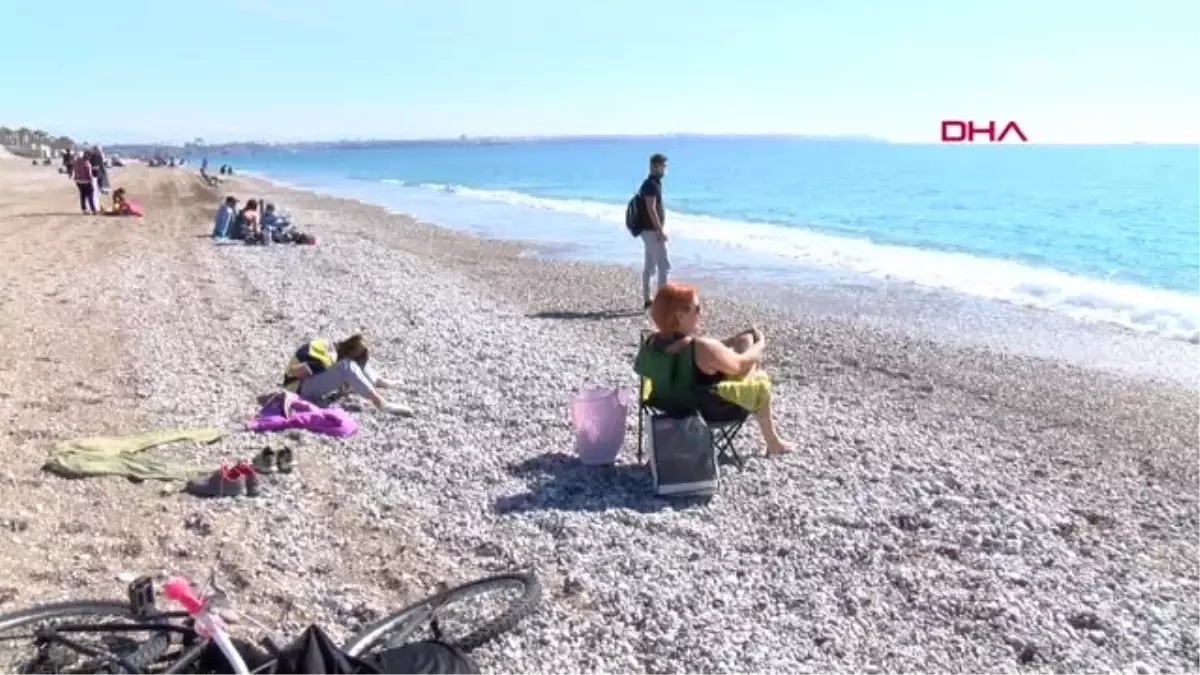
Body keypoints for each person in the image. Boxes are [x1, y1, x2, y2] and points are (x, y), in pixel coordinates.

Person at [648, 282, 791, 455]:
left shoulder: (653, 343)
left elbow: (697, 351)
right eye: (697, 309)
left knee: (744, 340)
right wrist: (761, 344)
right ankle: (773, 442)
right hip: (708, 411)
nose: (701, 313)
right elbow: (740, 365)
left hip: (667, 403)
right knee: (759, 376)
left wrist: (732, 340)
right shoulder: (701, 347)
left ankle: (773, 442)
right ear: (680, 315)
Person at [282, 334, 412, 415]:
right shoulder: (329, 359)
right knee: (347, 366)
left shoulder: (335, 347)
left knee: (351, 363)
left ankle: (379, 381)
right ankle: (382, 404)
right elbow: (293, 372)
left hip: (307, 382)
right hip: (297, 389)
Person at [637, 153, 671, 309]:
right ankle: (662, 304)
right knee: (664, 266)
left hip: (648, 230)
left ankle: (647, 299)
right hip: (651, 231)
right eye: (663, 166)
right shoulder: (651, 185)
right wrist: (659, 230)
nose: (665, 170)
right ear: (655, 166)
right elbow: (651, 208)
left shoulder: (652, 183)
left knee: (650, 265)